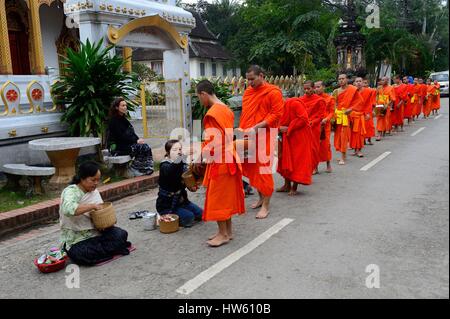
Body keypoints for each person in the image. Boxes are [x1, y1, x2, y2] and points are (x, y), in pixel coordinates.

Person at [195, 80, 245, 247]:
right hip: (229, 157)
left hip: (220, 160)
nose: (200, 101)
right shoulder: (226, 109)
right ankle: (227, 232)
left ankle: (223, 234)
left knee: (218, 198)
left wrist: (200, 156)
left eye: (198, 97)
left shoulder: (213, 113)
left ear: (203, 94)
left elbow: (213, 140)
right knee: (225, 196)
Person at [60, 161, 131, 266]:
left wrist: (106, 223)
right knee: (81, 253)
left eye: (98, 180)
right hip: (77, 239)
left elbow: (100, 214)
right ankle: (112, 249)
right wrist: (92, 206)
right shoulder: (70, 192)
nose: (96, 183)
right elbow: (68, 209)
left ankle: (107, 250)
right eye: (93, 180)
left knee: (121, 234)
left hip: (96, 233)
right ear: (82, 178)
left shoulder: (93, 191)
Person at [238, 65, 284, 219]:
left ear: (261, 76)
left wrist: (258, 126)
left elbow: (276, 114)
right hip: (249, 135)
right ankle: (260, 198)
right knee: (252, 168)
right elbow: (245, 113)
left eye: (252, 79)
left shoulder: (273, 92)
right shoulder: (248, 92)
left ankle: (266, 205)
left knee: (264, 169)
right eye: (248, 79)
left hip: (266, 134)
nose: (250, 82)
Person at [156, 140, 203, 228]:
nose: (178, 151)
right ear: (168, 152)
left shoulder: (182, 163)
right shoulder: (164, 165)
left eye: (180, 149)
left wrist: (192, 186)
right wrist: (183, 155)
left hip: (182, 201)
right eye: (174, 150)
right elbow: (171, 170)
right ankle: (164, 214)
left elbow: (188, 178)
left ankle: (182, 211)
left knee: (201, 214)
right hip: (167, 204)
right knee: (189, 218)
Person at [108, 97, 154, 176]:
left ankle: (146, 168)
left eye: (125, 105)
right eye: (122, 105)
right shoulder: (113, 121)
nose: (125, 107)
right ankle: (134, 169)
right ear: (116, 107)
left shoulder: (124, 119)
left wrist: (138, 139)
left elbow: (131, 133)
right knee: (141, 147)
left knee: (145, 146)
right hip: (118, 148)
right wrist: (136, 141)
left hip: (127, 145)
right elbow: (120, 137)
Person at [276, 97, 313, 195]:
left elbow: (303, 119)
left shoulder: (294, 103)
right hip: (286, 136)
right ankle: (286, 185)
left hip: (299, 136)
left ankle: (294, 186)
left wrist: (289, 128)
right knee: (284, 159)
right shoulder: (277, 108)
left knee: (297, 160)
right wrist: (279, 128)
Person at [333, 74, 364, 165]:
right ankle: (344, 154)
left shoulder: (352, 89)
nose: (341, 80)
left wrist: (351, 109)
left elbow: (360, 101)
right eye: (339, 79)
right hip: (339, 116)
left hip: (347, 116)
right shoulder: (336, 91)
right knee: (339, 137)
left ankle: (342, 157)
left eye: (343, 79)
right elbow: (334, 103)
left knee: (344, 136)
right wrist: (334, 115)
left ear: (347, 80)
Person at [298, 81, 326, 174]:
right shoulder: (301, 99)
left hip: (314, 128)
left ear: (313, 88)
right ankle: (305, 167)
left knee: (313, 148)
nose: (306, 91)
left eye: (308, 89)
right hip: (303, 127)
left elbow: (320, 116)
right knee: (304, 148)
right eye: (305, 89)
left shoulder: (319, 100)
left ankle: (315, 167)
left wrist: (312, 122)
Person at [314, 80, 334, 173]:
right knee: (315, 145)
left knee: (326, 145)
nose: (316, 89)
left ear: (324, 87)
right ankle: (315, 167)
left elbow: (332, 112)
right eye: (315, 87)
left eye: (318, 87)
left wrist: (326, 119)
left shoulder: (330, 98)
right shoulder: (313, 98)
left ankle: (328, 164)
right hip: (315, 125)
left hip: (325, 125)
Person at [350, 77, 370, 158]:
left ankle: (359, 150)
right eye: (357, 81)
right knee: (353, 133)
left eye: (360, 81)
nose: (358, 83)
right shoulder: (351, 92)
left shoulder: (368, 91)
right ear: (354, 83)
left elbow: (367, 104)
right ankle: (355, 149)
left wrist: (367, 113)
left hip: (360, 115)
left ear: (362, 83)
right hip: (352, 115)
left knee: (359, 134)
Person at [375, 77, 396, 141]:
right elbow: (376, 96)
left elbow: (392, 99)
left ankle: (383, 131)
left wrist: (388, 105)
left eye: (384, 80)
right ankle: (379, 133)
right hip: (379, 105)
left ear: (387, 81)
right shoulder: (379, 88)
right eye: (382, 80)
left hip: (386, 106)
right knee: (379, 119)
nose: (382, 81)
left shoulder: (391, 88)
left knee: (385, 119)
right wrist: (376, 104)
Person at [362, 79, 376, 145]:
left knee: (370, 125)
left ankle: (369, 139)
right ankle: (363, 139)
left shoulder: (371, 91)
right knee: (363, 125)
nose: (364, 84)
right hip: (361, 109)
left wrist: (373, 110)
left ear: (368, 84)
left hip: (369, 109)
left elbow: (373, 100)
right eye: (363, 83)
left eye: (366, 83)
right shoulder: (359, 91)